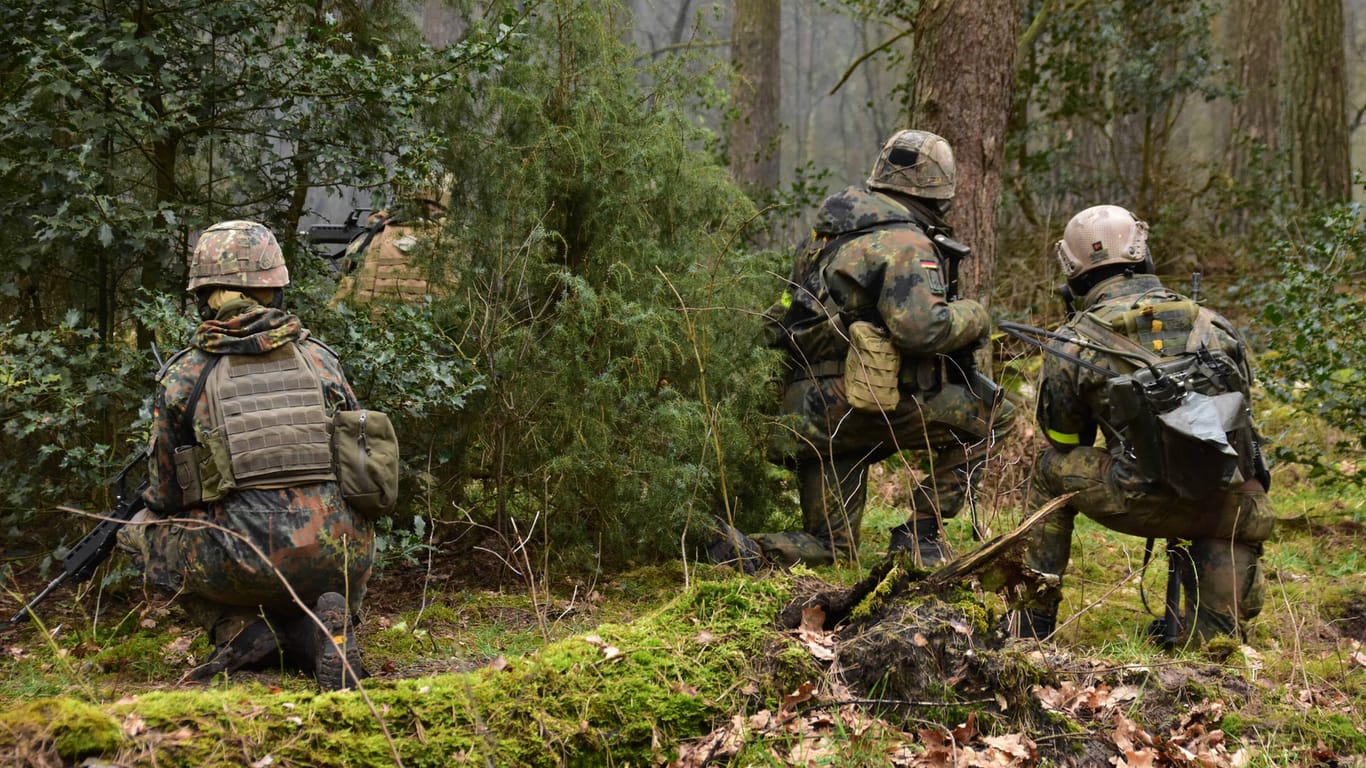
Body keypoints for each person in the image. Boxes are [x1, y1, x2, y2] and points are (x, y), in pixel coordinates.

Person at [714, 129, 1016, 570]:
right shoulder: (907, 243)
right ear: (940, 191)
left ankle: (735, 547)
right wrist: (975, 315)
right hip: (865, 407)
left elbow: (779, 318)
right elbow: (921, 332)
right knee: (995, 416)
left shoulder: (820, 241)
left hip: (808, 414)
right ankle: (922, 533)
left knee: (831, 547)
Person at [121, 220, 375, 689]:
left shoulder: (186, 374)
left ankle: (237, 627)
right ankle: (319, 630)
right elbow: (363, 468)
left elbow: (164, 495)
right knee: (336, 526)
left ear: (204, 297)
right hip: (340, 553)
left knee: (137, 532)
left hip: (243, 559)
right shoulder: (321, 360)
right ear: (274, 291)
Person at [1014, 204, 1274, 646]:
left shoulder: (1075, 340)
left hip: (1139, 500)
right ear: (1143, 255)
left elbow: (1063, 438)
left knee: (1048, 469)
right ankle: (1214, 629)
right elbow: (1240, 417)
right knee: (1214, 655)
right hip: (1230, 508)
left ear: (1073, 276)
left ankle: (1032, 623)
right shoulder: (1213, 325)